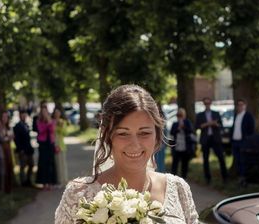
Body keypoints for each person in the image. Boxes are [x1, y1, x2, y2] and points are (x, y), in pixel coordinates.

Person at [54, 84, 198, 224]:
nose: (135, 144)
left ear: (157, 135)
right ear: (107, 135)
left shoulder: (179, 189)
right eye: (123, 133)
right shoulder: (78, 195)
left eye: (144, 133)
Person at [194, 98, 228, 184]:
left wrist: (216, 124)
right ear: (204, 104)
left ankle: (225, 177)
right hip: (205, 139)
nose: (207, 105)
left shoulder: (216, 114)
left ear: (211, 103)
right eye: (206, 103)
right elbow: (197, 126)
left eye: (208, 103)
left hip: (215, 138)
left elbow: (221, 126)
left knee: (221, 157)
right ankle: (207, 178)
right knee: (205, 159)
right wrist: (207, 124)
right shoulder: (200, 115)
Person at [230, 98, 255, 187]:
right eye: (238, 105)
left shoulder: (248, 116)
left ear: (245, 106)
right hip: (235, 141)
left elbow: (251, 129)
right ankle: (239, 177)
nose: (240, 107)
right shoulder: (236, 115)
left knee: (243, 160)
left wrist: (247, 140)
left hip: (243, 142)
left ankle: (243, 178)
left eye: (242, 105)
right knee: (237, 160)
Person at [169, 108, 196, 179]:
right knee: (175, 163)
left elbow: (190, 132)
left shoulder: (187, 122)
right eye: (178, 115)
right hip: (177, 146)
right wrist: (178, 128)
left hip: (185, 147)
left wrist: (183, 127)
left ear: (184, 115)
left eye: (181, 115)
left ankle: (184, 178)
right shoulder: (175, 124)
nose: (179, 117)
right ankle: (173, 178)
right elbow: (172, 133)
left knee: (185, 164)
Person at [35, 106, 57, 190]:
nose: (44, 113)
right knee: (43, 163)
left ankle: (50, 182)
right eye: (43, 112)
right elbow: (41, 130)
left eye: (45, 111)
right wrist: (48, 123)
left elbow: (52, 130)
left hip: (50, 143)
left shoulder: (51, 121)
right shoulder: (39, 121)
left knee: (50, 163)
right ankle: (44, 183)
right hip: (43, 144)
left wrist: (49, 122)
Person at [12, 110, 34, 186]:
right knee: (23, 166)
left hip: (28, 149)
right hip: (22, 150)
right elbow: (16, 140)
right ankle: (23, 182)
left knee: (31, 164)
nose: (24, 116)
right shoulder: (17, 126)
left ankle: (28, 180)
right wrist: (20, 149)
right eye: (22, 115)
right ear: (20, 116)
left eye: (25, 115)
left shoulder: (26, 125)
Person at [0, 110, 14, 193]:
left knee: (9, 168)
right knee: (2, 170)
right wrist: (8, 138)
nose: (5, 118)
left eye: (7, 117)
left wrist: (9, 137)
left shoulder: (8, 126)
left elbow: (11, 136)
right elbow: (0, 138)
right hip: (1, 150)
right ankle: (2, 189)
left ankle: (8, 188)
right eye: (4, 117)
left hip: (8, 149)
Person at [52, 108, 68, 186]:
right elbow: (52, 131)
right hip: (54, 144)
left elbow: (65, 133)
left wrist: (60, 127)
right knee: (56, 163)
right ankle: (58, 180)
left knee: (62, 163)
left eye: (58, 113)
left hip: (61, 145)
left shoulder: (62, 122)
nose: (57, 114)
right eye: (55, 113)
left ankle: (64, 180)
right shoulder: (52, 122)